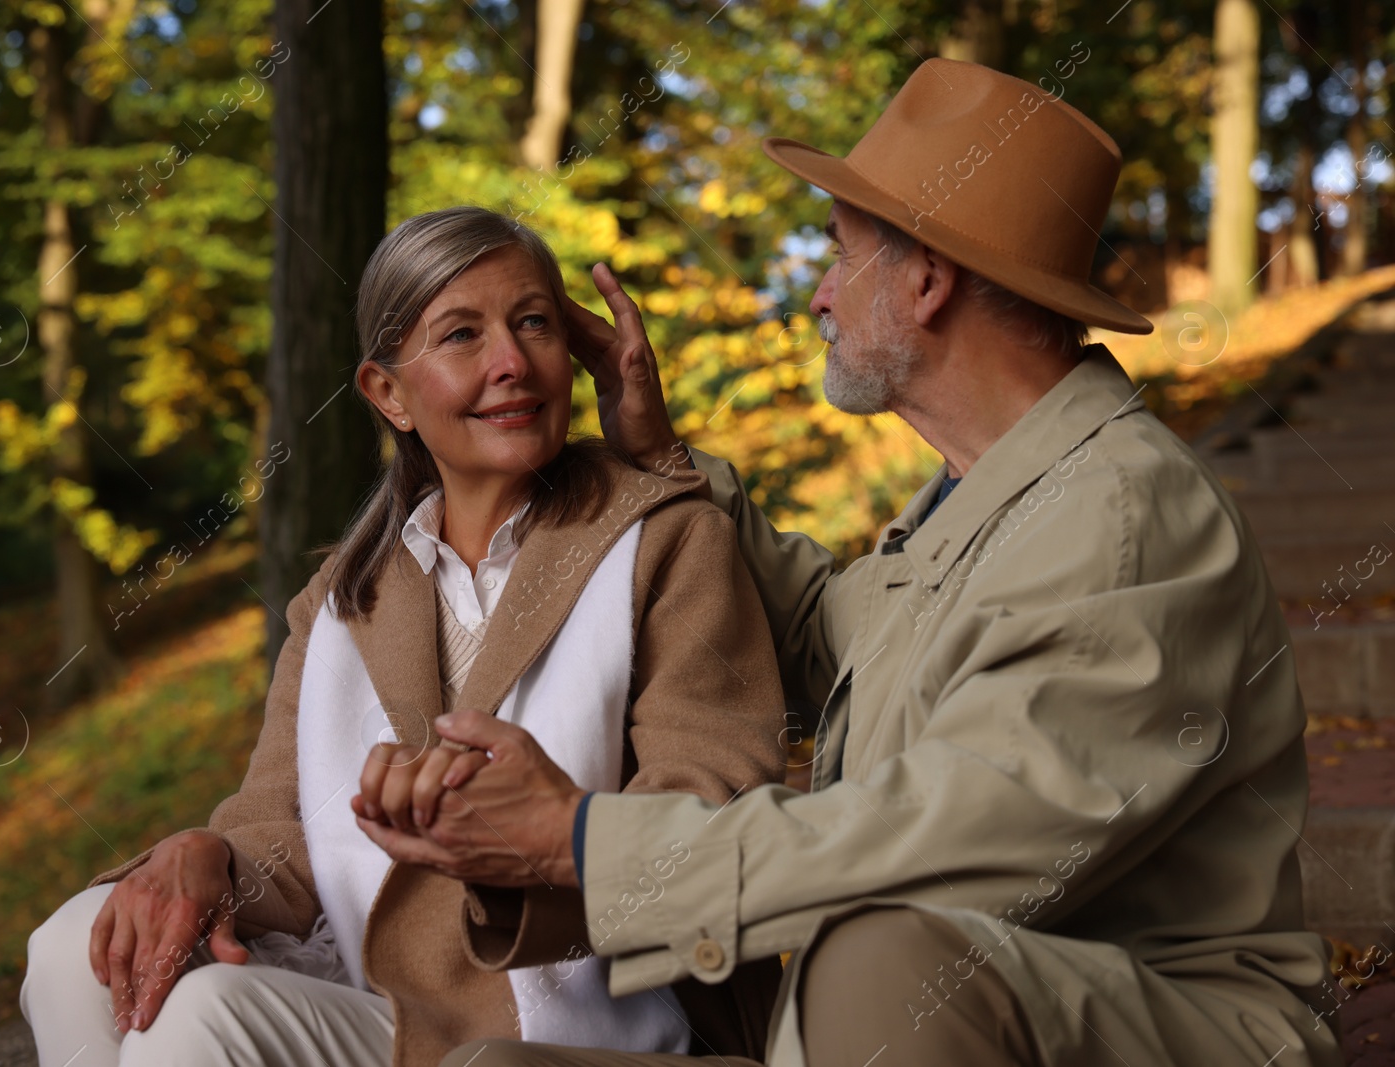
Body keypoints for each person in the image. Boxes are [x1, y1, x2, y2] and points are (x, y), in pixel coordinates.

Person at [356, 60, 1343, 1067]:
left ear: (925, 279)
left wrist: (577, 839)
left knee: (879, 953)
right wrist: (657, 458)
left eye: (838, 253)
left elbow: (940, 851)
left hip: (1153, 1027)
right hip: (897, 1019)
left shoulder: (1124, 519)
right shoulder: (983, 497)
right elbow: (815, 633)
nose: (820, 293)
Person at [19, 206, 789, 1067]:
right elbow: (286, 837)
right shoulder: (340, 598)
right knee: (69, 948)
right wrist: (208, 855)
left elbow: (712, 809)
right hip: (386, 1004)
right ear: (388, 393)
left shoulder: (667, 539)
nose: (511, 362)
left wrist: (533, 832)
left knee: (202, 1018)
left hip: (598, 1025)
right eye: (462, 334)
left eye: (533, 322)